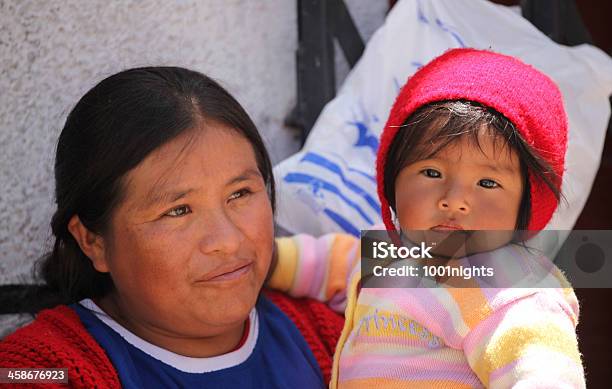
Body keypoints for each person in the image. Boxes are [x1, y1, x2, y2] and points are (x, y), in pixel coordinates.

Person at [0, 67, 343, 388]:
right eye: (178, 211)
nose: (227, 240)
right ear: (93, 241)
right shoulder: (40, 368)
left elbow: (388, 259)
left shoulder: (328, 337)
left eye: (240, 193)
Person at [268, 49, 586, 388]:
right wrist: (266, 261)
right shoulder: (391, 252)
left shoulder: (509, 285)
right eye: (432, 172)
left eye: (488, 183)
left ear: (527, 204)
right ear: (391, 181)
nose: (454, 201)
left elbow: (542, 368)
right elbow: (331, 262)